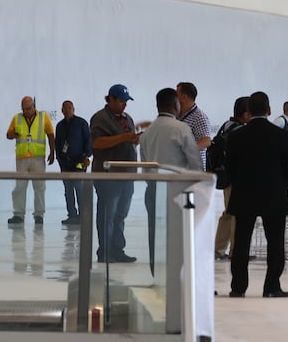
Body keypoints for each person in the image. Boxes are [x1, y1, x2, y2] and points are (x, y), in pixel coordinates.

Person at [225, 91, 288, 297]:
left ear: (248, 112)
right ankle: (272, 286)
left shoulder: (236, 136)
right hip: (274, 196)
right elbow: (287, 169)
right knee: (275, 243)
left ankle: (238, 288)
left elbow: (230, 170)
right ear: (269, 110)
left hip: (244, 195)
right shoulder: (280, 135)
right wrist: (281, 189)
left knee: (241, 243)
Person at [90, 84, 139, 263]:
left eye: (126, 101)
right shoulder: (100, 118)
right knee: (107, 215)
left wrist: (134, 140)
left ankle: (118, 249)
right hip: (108, 176)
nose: (124, 105)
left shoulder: (128, 119)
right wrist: (124, 138)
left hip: (127, 175)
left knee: (120, 215)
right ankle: (104, 252)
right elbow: (97, 143)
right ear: (110, 99)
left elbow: (128, 140)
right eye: (121, 101)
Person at [5, 96, 56, 225]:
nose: (26, 111)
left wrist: (52, 152)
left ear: (34, 106)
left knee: (39, 187)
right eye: (23, 109)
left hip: (37, 157)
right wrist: (13, 135)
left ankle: (39, 215)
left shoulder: (43, 117)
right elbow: (8, 134)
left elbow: (50, 135)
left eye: (28, 108)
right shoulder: (17, 118)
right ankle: (18, 215)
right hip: (22, 158)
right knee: (20, 187)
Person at [212, 96, 250, 260]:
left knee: (228, 213)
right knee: (236, 214)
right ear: (246, 113)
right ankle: (236, 250)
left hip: (227, 176)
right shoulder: (238, 130)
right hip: (236, 178)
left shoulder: (226, 126)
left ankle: (218, 249)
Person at [139, 88, 202, 173]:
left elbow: (145, 168)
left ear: (158, 107)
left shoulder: (146, 133)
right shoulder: (182, 129)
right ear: (176, 105)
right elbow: (196, 164)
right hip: (179, 184)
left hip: (154, 184)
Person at [55, 100, 92, 226]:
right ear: (61, 110)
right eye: (65, 108)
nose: (67, 111)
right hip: (65, 164)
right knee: (68, 190)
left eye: (69, 108)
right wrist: (59, 159)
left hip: (79, 162)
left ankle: (83, 216)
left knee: (79, 188)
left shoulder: (81, 123)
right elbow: (57, 144)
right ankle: (72, 215)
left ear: (73, 109)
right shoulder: (59, 126)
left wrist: (87, 157)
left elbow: (88, 141)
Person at [177, 82, 212, 169]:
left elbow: (206, 141)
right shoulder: (176, 115)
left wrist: (185, 150)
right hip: (178, 169)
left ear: (184, 97)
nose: (174, 97)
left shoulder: (199, 117)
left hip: (193, 171)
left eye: (176, 94)